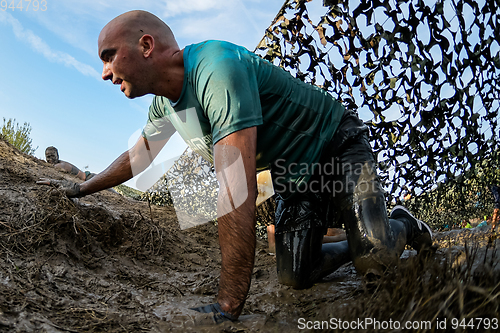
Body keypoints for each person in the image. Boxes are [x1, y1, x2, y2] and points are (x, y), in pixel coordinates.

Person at [37, 10, 433, 323]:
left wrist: (228, 304)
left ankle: (402, 226)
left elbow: (233, 186)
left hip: (335, 142)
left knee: (376, 262)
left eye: (108, 56)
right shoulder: (163, 104)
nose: (104, 72)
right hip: (296, 176)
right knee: (296, 275)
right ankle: (362, 237)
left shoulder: (216, 69)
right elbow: (137, 158)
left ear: (145, 45)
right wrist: (80, 189)